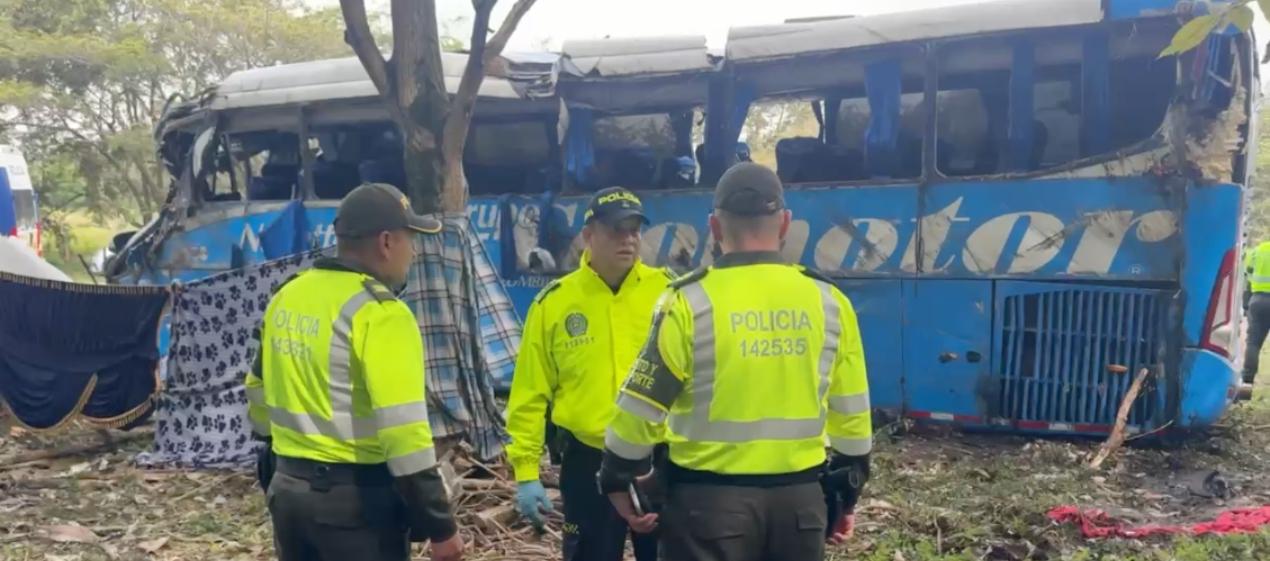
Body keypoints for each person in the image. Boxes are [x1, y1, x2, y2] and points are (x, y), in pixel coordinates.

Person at [598, 162, 873, 561]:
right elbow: (853, 415)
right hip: (800, 507)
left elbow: (640, 409)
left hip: (706, 511)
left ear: (714, 227)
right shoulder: (830, 301)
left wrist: (617, 478)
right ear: (785, 224)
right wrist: (847, 496)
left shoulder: (687, 301)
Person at [253, 183, 464, 561]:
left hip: (288, 495)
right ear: (386, 242)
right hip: (356, 509)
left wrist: (282, 463)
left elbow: (256, 388)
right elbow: (405, 437)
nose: (414, 252)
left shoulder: (287, 295)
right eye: (410, 239)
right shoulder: (381, 313)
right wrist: (440, 526)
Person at [505, 186, 672, 561]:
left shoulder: (669, 294)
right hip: (587, 461)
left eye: (634, 230)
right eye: (616, 230)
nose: (628, 239)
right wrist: (526, 473)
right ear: (588, 236)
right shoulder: (555, 303)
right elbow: (530, 394)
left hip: (660, 459)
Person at [1244, 239, 1270, 384]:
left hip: (1258, 299)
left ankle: (1248, 379)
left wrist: (1246, 301)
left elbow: (1247, 275)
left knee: (1253, 342)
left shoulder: (1258, 250)